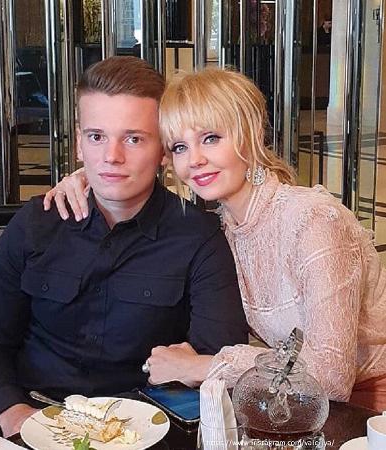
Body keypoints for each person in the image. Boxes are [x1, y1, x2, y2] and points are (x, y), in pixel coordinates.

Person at [49, 67, 386, 412]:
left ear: (249, 134)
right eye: (180, 147)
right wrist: (92, 178)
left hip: (368, 405)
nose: (195, 160)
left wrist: (202, 366)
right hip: (299, 403)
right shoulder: (223, 229)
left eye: (211, 138)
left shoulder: (313, 219)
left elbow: (332, 376)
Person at [0, 58, 249, 438]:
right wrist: (12, 413)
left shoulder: (200, 238)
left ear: (163, 150)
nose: (112, 156)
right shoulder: (36, 224)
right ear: (78, 142)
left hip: (146, 430)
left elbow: (216, 365)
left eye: (133, 139)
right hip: (30, 415)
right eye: (96, 137)